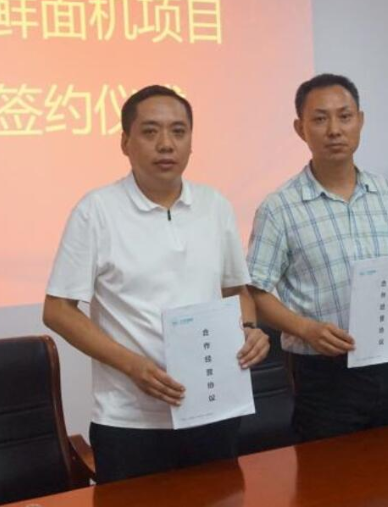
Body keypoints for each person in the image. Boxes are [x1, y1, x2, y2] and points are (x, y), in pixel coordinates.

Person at [43, 85, 269, 483]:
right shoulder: (97, 211)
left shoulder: (215, 206)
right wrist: (133, 366)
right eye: (150, 132)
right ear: (125, 142)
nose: (166, 144)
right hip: (131, 421)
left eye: (178, 131)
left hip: (212, 407)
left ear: (191, 142)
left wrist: (249, 329)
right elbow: (57, 310)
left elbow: (236, 291)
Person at [246, 73, 388, 443]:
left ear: (360, 121)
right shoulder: (280, 207)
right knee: (328, 477)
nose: (334, 130)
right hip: (324, 376)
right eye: (320, 119)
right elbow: (256, 293)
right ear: (300, 129)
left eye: (345, 117)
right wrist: (305, 329)